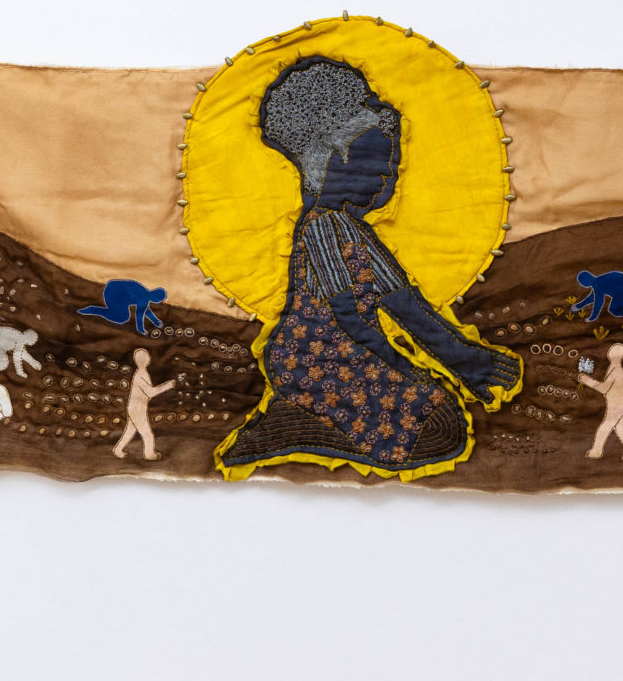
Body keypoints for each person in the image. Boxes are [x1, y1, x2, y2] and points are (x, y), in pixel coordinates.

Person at [216, 59, 522, 479]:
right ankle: (287, 427)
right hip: (312, 357)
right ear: (334, 159)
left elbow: (406, 306)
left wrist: (466, 360)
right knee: (435, 428)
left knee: (441, 421)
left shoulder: (356, 231)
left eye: (391, 166)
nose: (387, 177)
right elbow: (348, 317)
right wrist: (405, 367)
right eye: (376, 163)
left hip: (356, 352)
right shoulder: (321, 227)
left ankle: (306, 421)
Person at [112, 348, 178, 460]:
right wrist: (167, 386)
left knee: (129, 431)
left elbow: (148, 393)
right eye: (145, 357)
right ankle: (149, 455)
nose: (147, 358)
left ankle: (118, 450)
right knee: (147, 434)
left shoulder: (142, 373)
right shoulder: (140, 375)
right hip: (137, 409)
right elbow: (150, 392)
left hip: (135, 407)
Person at [579, 341, 623, 459]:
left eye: (614, 351)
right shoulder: (614, 368)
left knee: (603, 429)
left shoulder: (616, 370)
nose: (611, 353)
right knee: (621, 431)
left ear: (620, 356)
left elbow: (604, 388)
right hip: (619, 405)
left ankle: (597, 451)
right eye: (612, 350)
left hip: (617, 406)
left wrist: (587, 381)